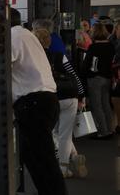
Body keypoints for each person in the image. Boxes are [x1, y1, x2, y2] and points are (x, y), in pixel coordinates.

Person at [10, 7, 71, 195]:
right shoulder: (27, 34)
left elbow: (2, 65)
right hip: (44, 100)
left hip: (34, 103)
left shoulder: (14, 36)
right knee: (32, 156)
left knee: (43, 159)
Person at [33, 28, 87, 178]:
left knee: (55, 132)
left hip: (50, 98)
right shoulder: (59, 56)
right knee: (64, 133)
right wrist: (82, 95)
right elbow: (74, 76)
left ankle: (63, 168)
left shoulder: (34, 59)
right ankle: (74, 157)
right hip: (70, 96)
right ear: (49, 41)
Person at [83, 22, 115, 138]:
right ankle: (110, 129)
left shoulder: (94, 47)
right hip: (107, 78)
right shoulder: (111, 46)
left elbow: (89, 64)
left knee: (96, 105)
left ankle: (103, 131)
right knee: (105, 104)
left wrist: (85, 73)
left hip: (95, 78)